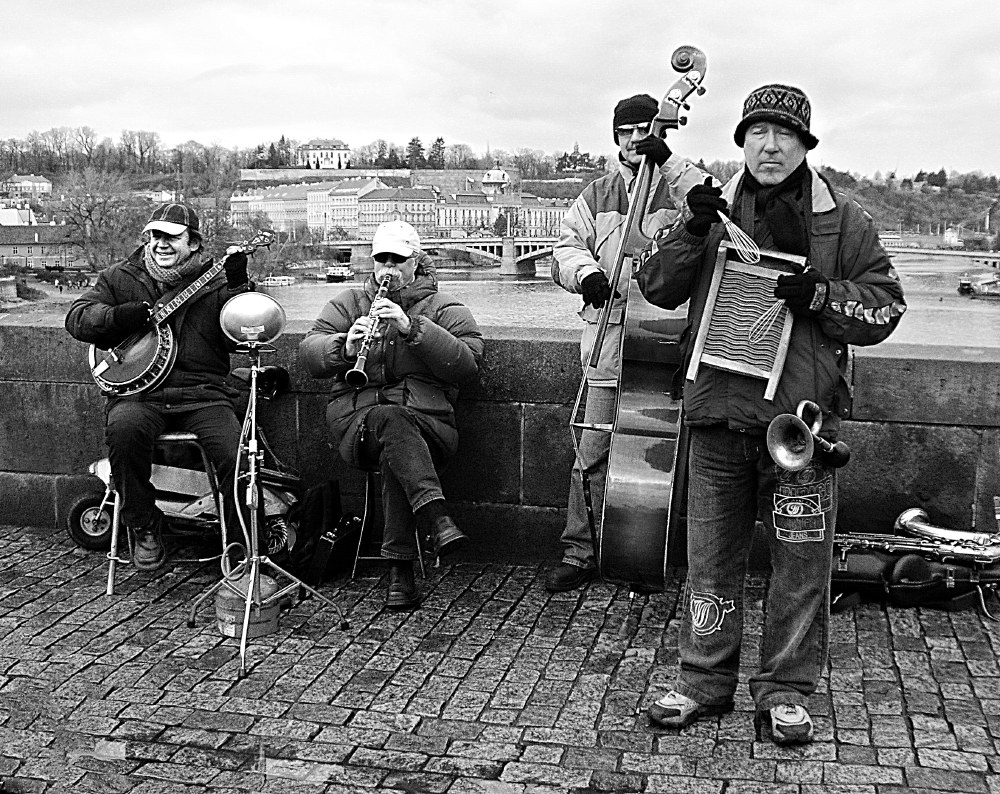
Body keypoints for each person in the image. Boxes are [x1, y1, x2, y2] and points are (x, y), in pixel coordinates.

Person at [635, 84, 907, 744]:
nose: (770, 145)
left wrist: (822, 294)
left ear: (805, 145)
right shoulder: (711, 209)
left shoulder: (844, 222)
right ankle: (703, 679)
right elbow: (655, 285)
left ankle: (786, 689)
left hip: (801, 429)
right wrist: (693, 230)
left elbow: (886, 306)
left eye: (784, 135)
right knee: (711, 560)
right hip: (717, 417)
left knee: (801, 569)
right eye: (757, 133)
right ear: (743, 142)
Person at [547, 93, 707, 592]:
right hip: (607, 343)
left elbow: (716, 212)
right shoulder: (597, 193)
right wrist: (587, 274)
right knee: (590, 455)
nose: (637, 139)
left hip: (661, 345)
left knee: (661, 460)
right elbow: (565, 248)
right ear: (614, 136)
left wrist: (670, 163)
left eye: (646, 130)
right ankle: (580, 551)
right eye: (627, 131)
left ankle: (642, 553)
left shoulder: (681, 183)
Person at [299, 220, 484, 610]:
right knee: (388, 420)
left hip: (428, 425)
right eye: (381, 259)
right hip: (356, 426)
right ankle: (436, 520)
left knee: (395, 438)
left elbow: (467, 364)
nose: (388, 268)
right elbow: (308, 353)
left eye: (397, 260)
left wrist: (412, 327)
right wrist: (343, 348)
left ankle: (400, 569)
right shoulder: (348, 303)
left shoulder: (444, 306)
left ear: (416, 261)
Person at [66, 202, 252, 572]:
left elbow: (242, 338)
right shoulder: (120, 278)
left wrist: (239, 289)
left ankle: (238, 538)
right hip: (140, 394)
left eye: (171, 237)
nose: (160, 244)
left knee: (233, 453)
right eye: (154, 235)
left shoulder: (215, 282)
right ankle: (144, 525)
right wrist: (119, 317)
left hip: (204, 394)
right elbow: (77, 319)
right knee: (124, 432)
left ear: (194, 243)